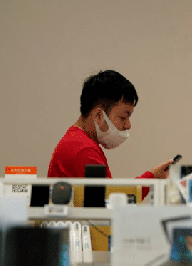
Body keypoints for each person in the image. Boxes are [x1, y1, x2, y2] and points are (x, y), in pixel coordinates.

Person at [48, 70, 173, 198]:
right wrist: (152, 178)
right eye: (123, 117)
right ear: (98, 115)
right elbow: (113, 200)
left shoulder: (79, 141)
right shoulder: (83, 149)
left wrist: (153, 176)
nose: (128, 125)